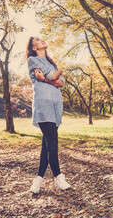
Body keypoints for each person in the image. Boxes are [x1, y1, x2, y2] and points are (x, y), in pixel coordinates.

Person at [26, 36, 71, 194]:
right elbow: (55, 77)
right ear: (34, 47)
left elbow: (61, 82)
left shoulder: (52, 63)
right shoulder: (32, 60)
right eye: (38, 39)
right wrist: (55, 76)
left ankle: (37, 181)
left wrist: (46, 78)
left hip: (55, 106)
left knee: (46, 146)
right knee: (52, 143)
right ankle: (59, 177)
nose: (42, 39)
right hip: (44, 106)